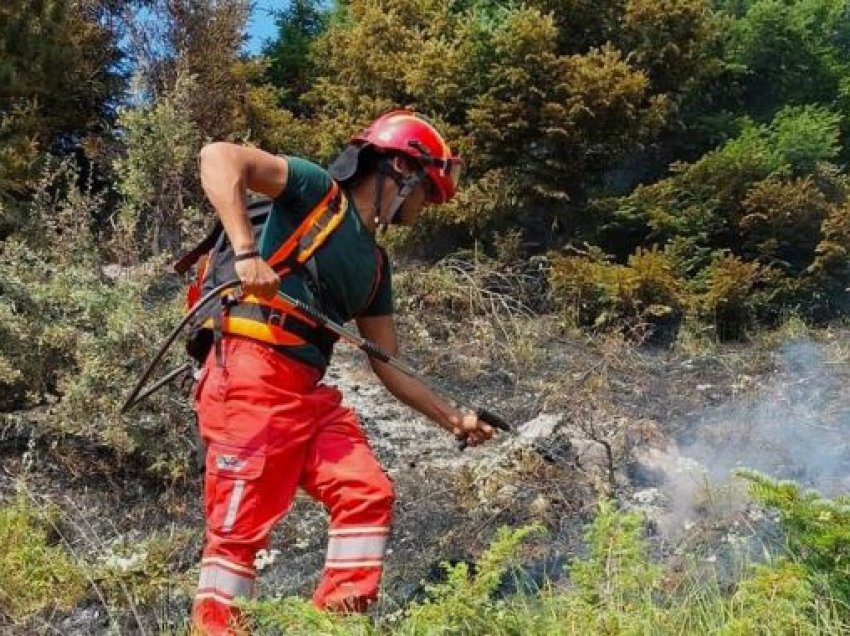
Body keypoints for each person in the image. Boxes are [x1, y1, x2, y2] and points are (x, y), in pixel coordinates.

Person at [191, 110, 496, 634]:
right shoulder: (315, 192)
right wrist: (246, 254)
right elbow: (218, 156)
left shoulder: (376, 266)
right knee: (238, 535)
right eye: (427, 192)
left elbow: (389, 364)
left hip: (305, 394)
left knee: (366, 491)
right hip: (248, 374)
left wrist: (453, 419)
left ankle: (333, 626)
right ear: (399, 171)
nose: (426, 207)